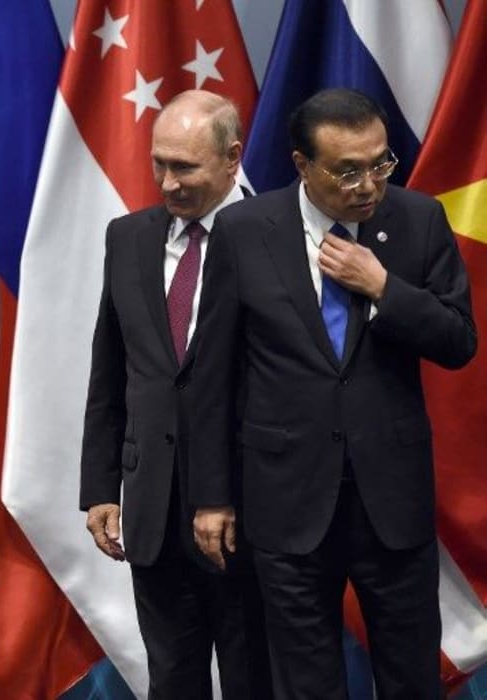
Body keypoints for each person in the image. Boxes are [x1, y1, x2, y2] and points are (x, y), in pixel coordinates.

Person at [190, 88, 476, 698]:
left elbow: (458, 341)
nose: (368, 184)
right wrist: (211, 496)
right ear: (302, 165)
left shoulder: (419, 219)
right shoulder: (243, 229)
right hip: (285, 498)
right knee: (304, 679)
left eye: (380, 163)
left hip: (392, 501)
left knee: (410, 676)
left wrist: (384, 288)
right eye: (348, 170)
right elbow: (212, 375)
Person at [80, 90, 272, 699]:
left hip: (250, 509)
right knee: (172, 679)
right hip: (153, 507)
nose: (166, 182)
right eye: (158, 162)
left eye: (184, 167)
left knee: (253, 678)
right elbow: (111, 372)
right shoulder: (128, 237)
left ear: (232, 157)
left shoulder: (278, 236)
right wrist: (100, 489)